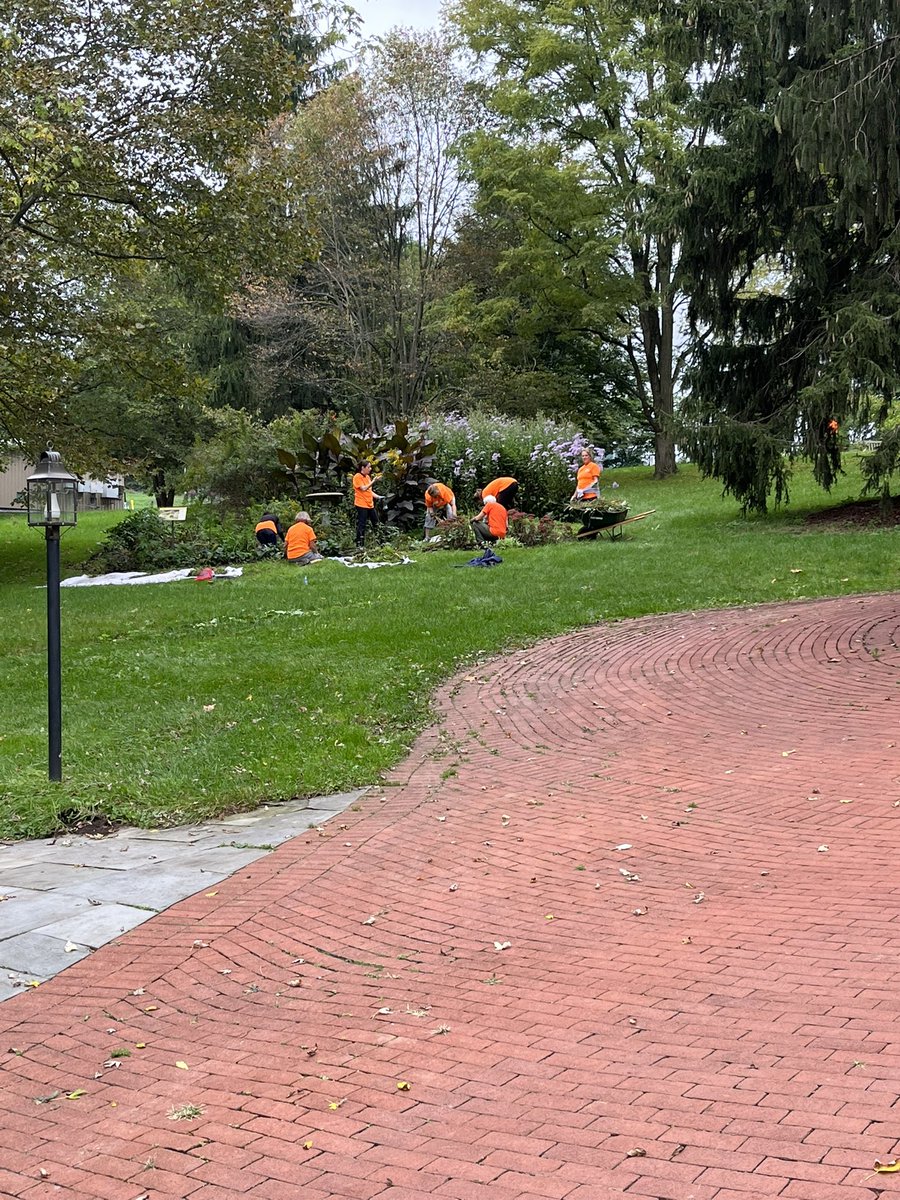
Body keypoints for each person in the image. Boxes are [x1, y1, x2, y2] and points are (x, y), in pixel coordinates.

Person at [352, 462, 382, 547]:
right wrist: (374, 481)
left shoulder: (368, 477)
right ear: (363, 467)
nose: (370, 469)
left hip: (370, 504)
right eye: (368, 467)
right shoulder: (357, 477)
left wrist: (378, 497)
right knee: (362, 524)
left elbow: (369, 491)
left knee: (376, 523)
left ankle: (381, 542)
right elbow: (364, 488)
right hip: (361, 504)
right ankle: (359, 544)